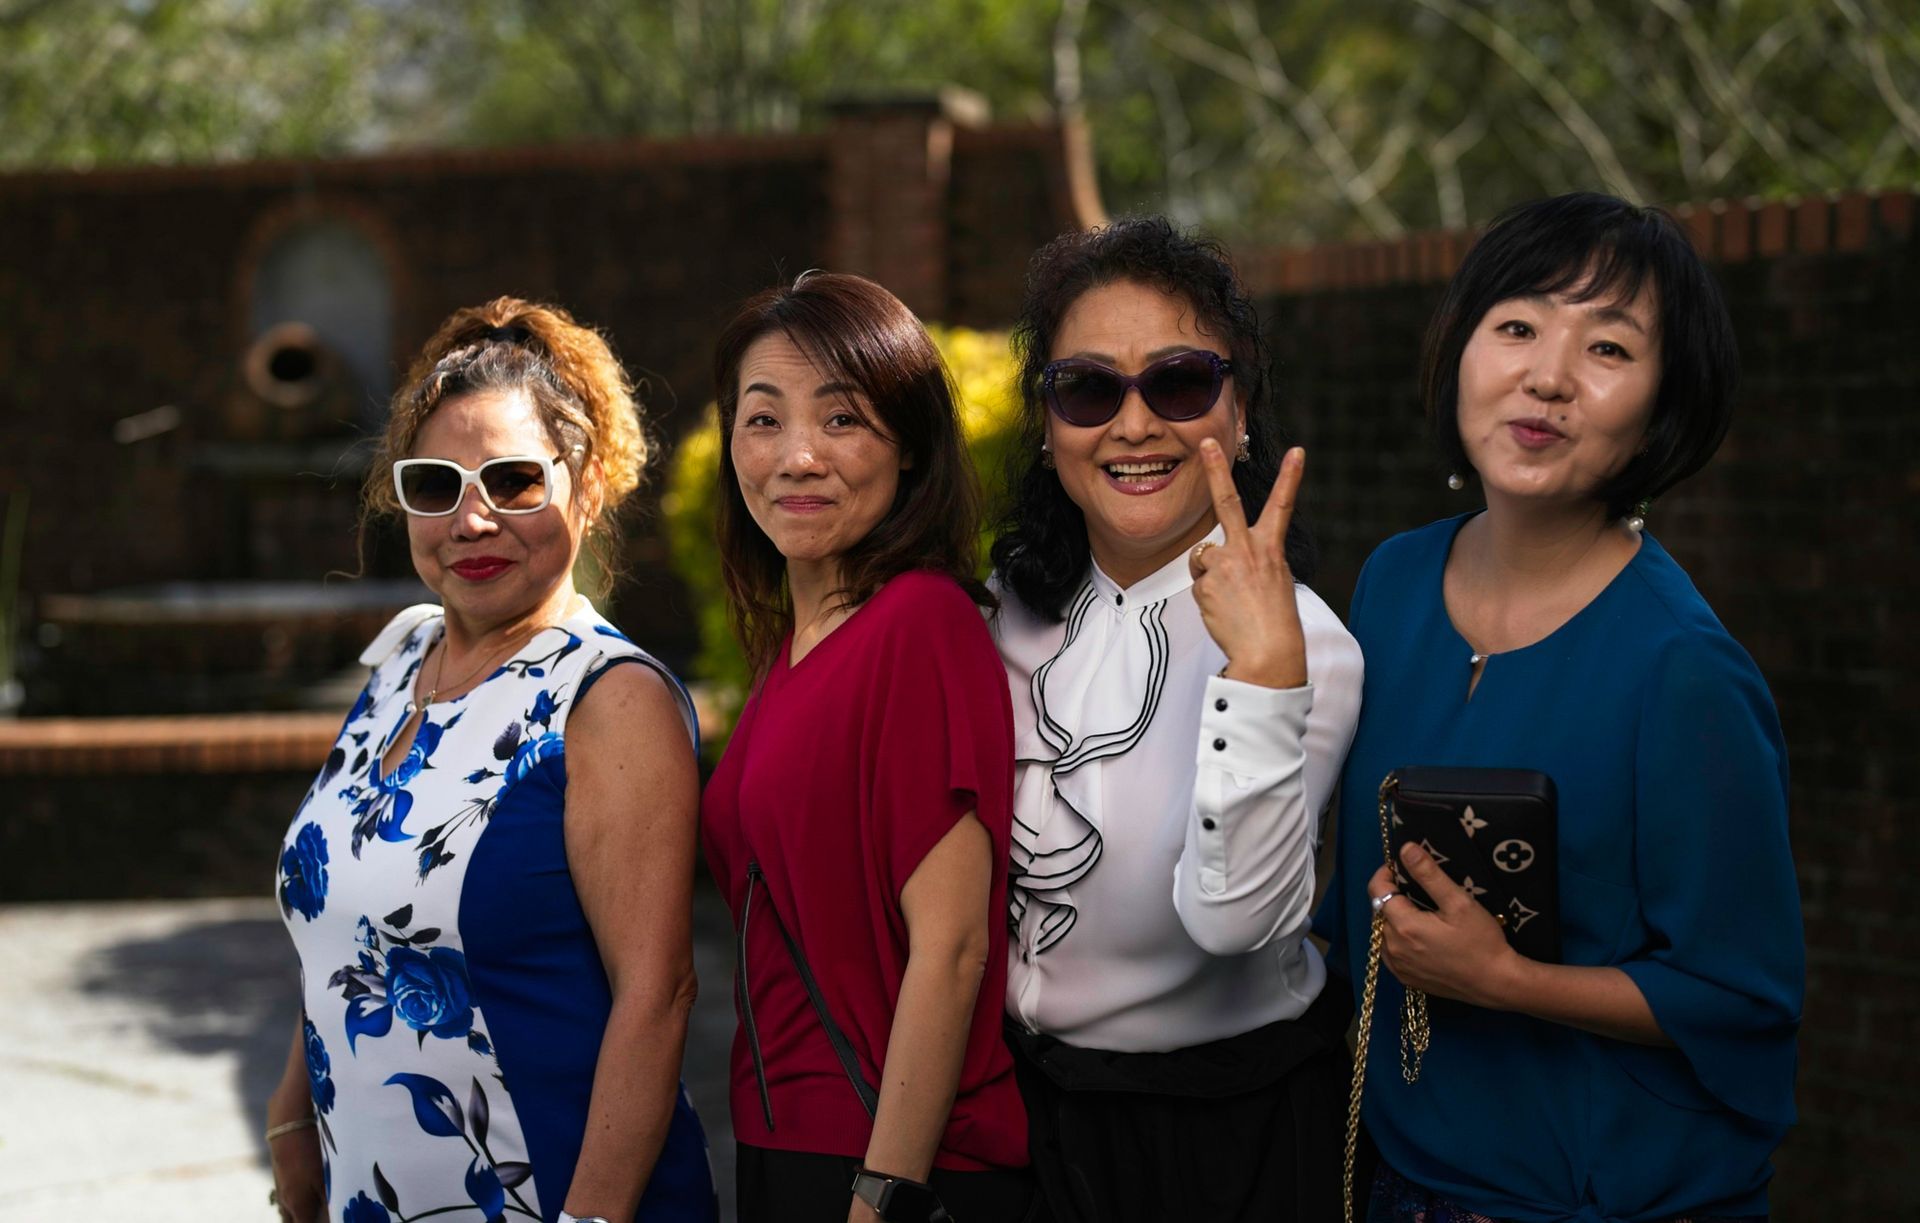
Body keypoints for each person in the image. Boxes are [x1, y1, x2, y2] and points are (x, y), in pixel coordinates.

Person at [1315, 192, 1804, 1222]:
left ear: (1664, 406)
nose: (1547, 376)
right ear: (1463, 348)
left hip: (1598, 1202)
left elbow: (1742, 995)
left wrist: (1506, 979)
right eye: (1519, 325)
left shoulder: (1682, 669)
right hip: (1397, 1181)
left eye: (1610, 348)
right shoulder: (1393, 583)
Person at [266, 298, 716, 1223]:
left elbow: (657, 994)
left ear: (585, 487)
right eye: (436, 485)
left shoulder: (607, 697)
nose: (471, 520)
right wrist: (288, 1124)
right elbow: (347, 929)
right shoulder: (400, 662)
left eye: (512, 482)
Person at [988, 216, 1364, 1223]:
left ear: (1239, 415)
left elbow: (1235, 918)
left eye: (1181, 381)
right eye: (1088, 387)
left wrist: (1264, 671)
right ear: (1047, 421)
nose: (1135, 422)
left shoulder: (1308, 642)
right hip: (1028, 1123)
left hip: (1229, 1135)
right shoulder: (1001, 613)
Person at [699, 272, 1036, 1223]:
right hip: (780, 1140)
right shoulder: (784, 650)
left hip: (891, 1162)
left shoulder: (921, 623)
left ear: (912, 447)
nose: (797, 456)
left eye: (842, 419)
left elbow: (955, 945)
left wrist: (881, 1194)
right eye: (763, 420)